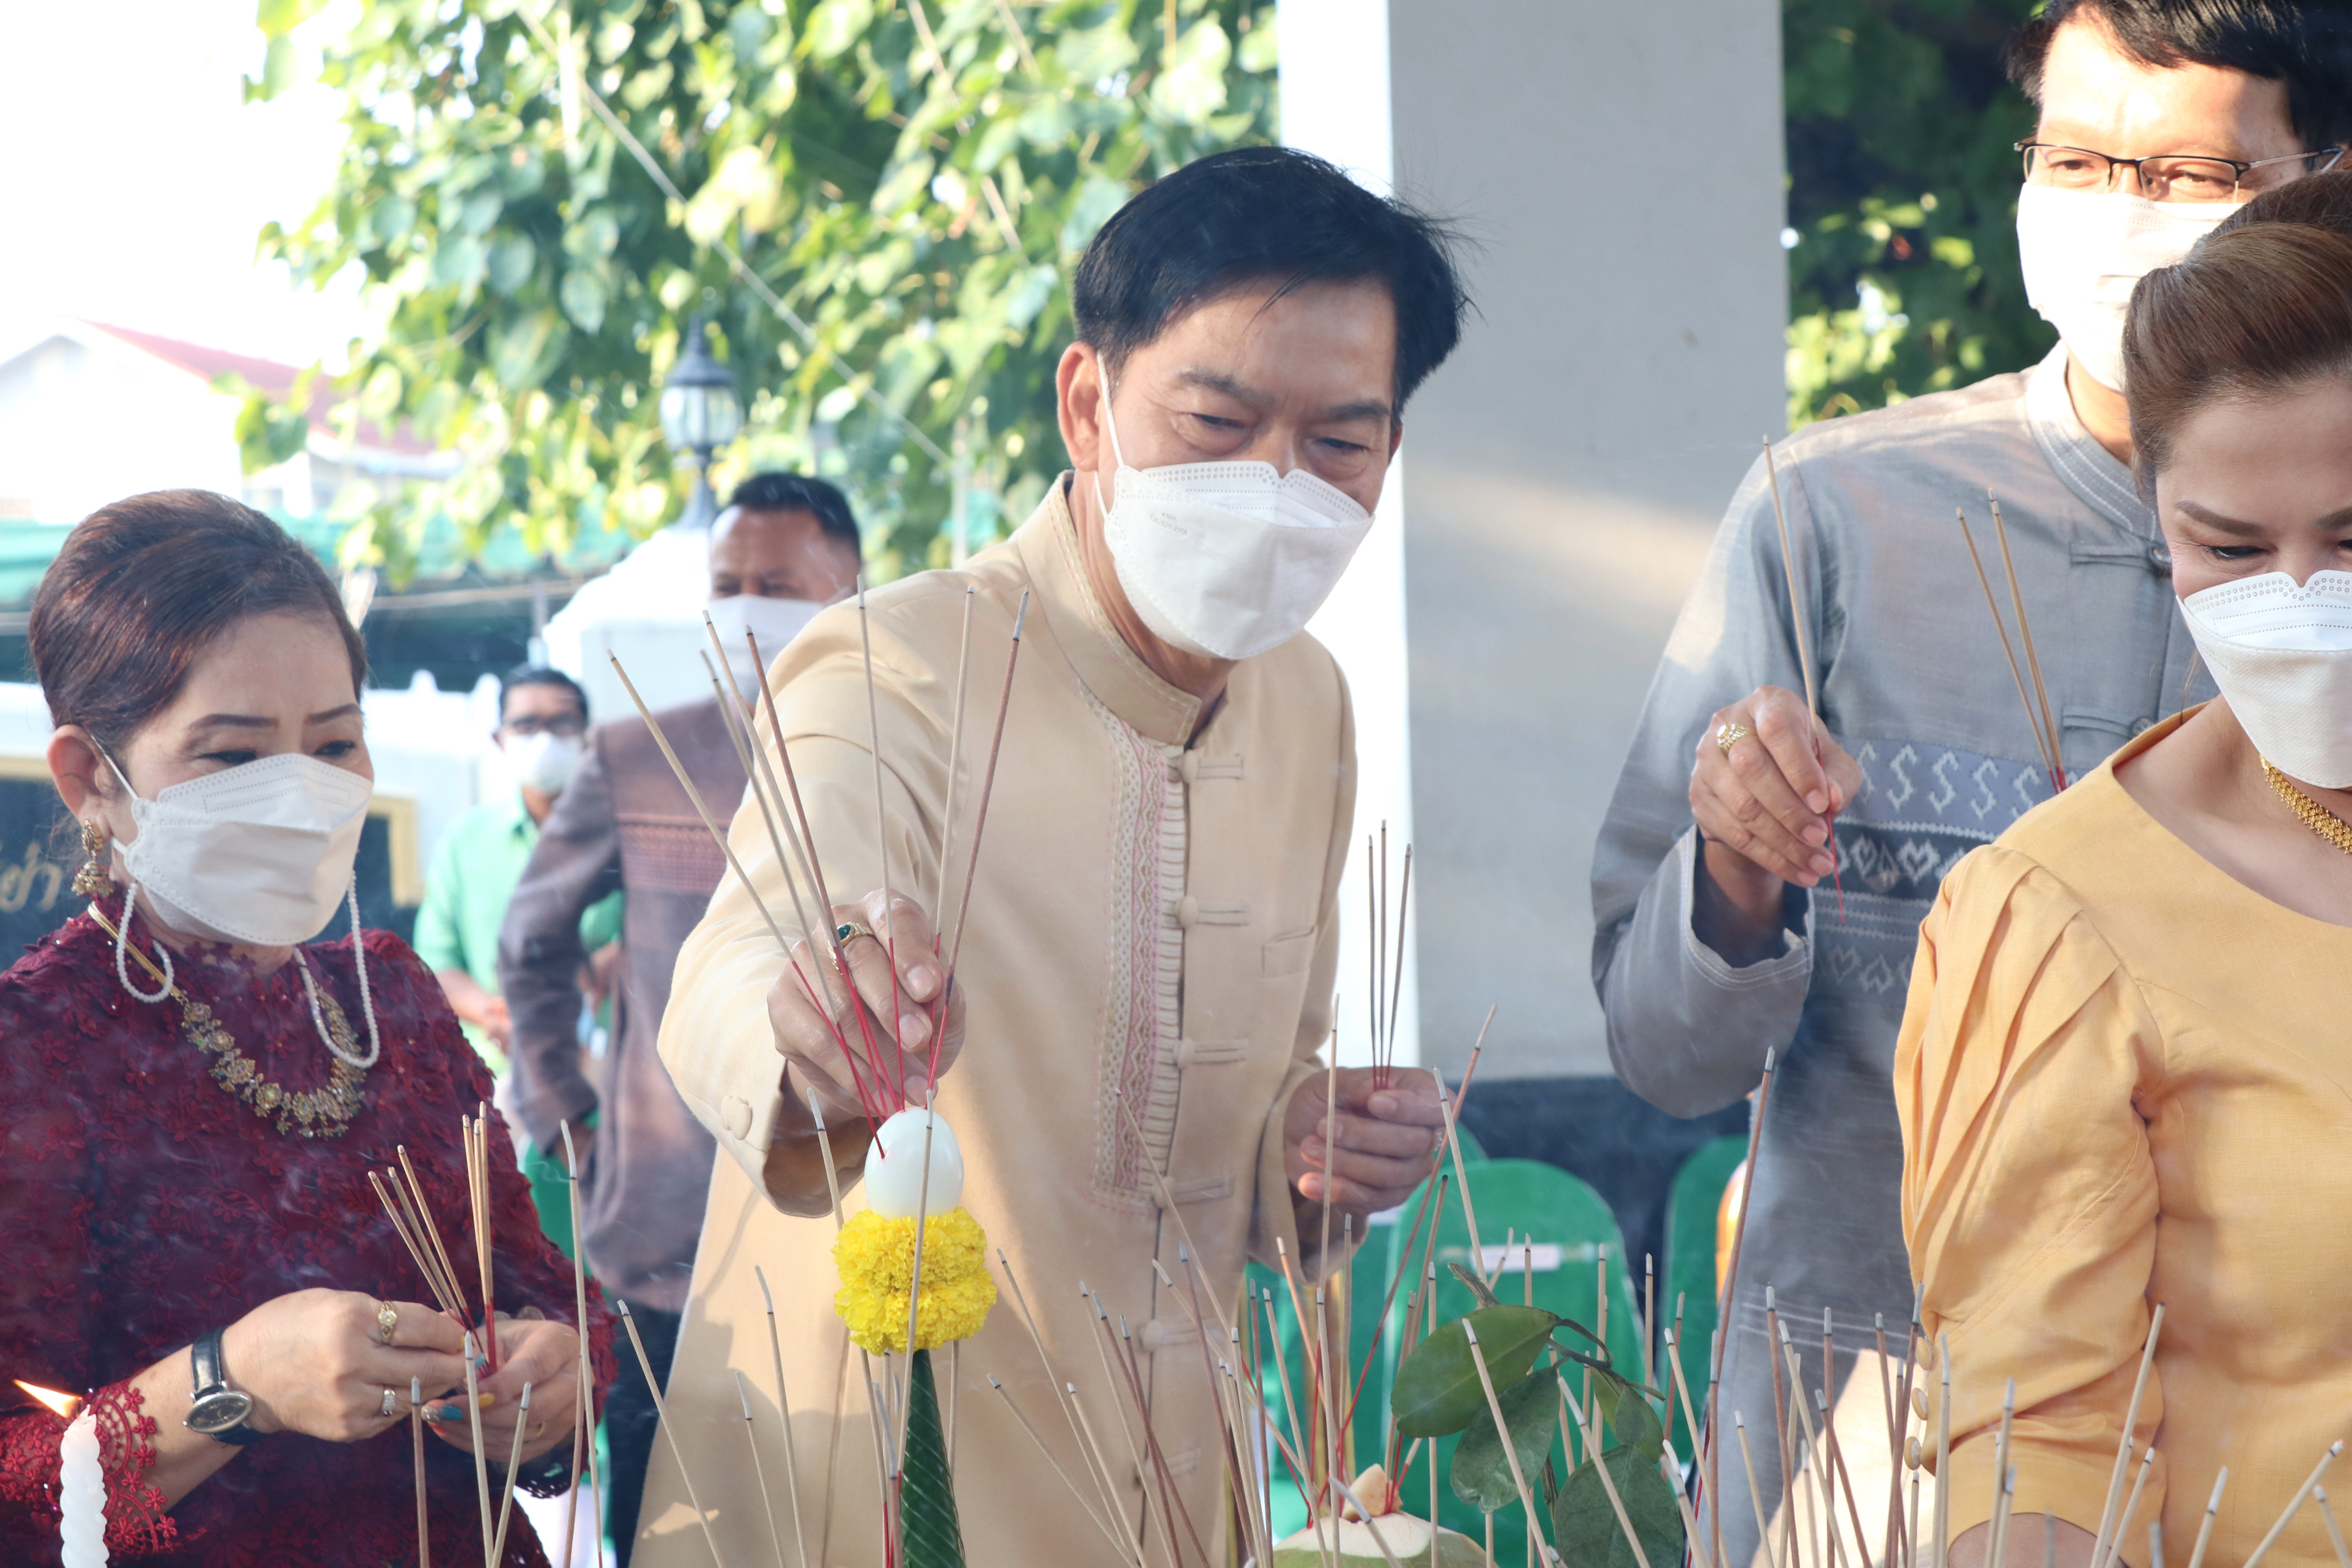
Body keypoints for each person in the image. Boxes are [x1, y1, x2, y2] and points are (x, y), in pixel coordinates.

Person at [632, 146, 1465, 1568]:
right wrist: (814, 1020)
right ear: (1088, 402)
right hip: (883, 1473)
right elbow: (749, 954)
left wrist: (1319, 1144)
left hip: (1168, 1459)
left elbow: (1262, 1109)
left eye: (1338, 443)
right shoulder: (893, 662)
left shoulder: (1307, 699)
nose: (1276, 482)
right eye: (1217, 419)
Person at [1591, 5, 2352, 1561]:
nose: (2126, 216)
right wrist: (1735, 882)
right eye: (2079, 159)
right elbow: (1660, 1052)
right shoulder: (1834, 517)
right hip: (1860, 1422)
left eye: (2194, 170)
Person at [0, 490, 612, 1563]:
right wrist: (231, 1384)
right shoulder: (33, 1053)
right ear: (92, 776)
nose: (296, 796)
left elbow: (547, 1297)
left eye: (334, 746)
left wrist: (554, 1380)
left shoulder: (393, 1002)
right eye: (234, 758)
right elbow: (17, 1484)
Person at [1899, 185, 2352, 1568]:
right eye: (2228, 548)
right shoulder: (2058, 921)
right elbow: (2040, 1440)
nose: (2301, 601)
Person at [499, 470, 861, 1564]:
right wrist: (564, 1105)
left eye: (778, 584)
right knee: (668, 1524)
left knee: (848, 1518)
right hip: (668, 1218)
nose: (747, 605)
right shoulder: (639, 750)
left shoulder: (905, 752)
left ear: (853, 591)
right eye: (728, 583)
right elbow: (531, 940)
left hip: (865, 1215)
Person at [415, 666, 622, 1080]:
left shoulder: (626, 834)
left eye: (562, 722)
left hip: (611, 1072)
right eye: (526, 724)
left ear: (588, 735)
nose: (544, 738)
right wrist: (496, 1015)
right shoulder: (466, 841)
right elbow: (436, 963)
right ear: (500, 738)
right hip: (496, 1081)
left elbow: (662, 935)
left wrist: (600, 973)